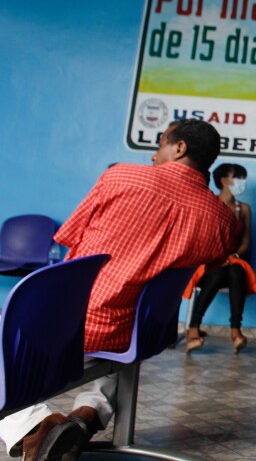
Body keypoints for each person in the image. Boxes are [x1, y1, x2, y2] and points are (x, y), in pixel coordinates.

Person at [0, 119, 236, 461]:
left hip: (74, 328)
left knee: (35, 320)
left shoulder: (122, 176)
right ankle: (86, 417)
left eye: (160, 145)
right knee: (124, 306)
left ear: (179, 148)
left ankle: (36, 427)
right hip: (140, 331)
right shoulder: (222, 218)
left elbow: (68, 236)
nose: (154, 156)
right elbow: (213, 262)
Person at [183, 163, 256, 354]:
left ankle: (236, 331)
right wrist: (216, 258)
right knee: (216, 273)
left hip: (233, 262)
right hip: (208, 265)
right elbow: (198, 239)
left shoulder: (244, 210)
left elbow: (246, 241)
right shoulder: (208, 204)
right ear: (224, 180)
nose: (242, 182)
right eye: (238, 177)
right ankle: (193, 328)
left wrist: (233, 256)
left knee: (236, 271)